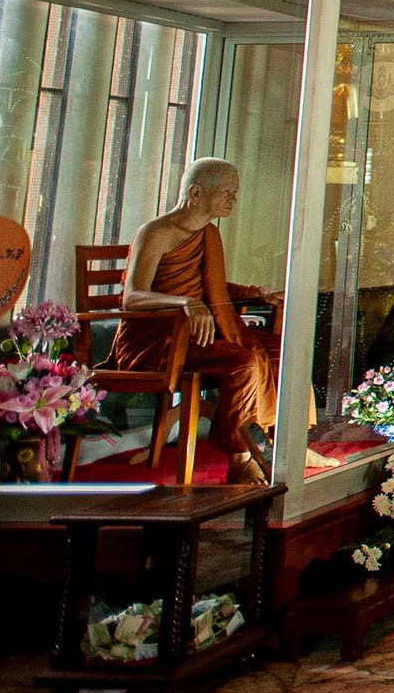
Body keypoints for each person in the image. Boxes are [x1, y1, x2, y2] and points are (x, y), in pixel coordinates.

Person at [118, 158, 304, 481]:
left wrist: (256, 292)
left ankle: (284, 441)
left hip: (199, 332)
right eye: (227, 193)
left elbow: (211, 289)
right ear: (195, 192)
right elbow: (132, 297)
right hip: (160, 339)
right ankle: (239, 457)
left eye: (234, 193)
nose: (233, 200)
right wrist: (185, 303)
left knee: (282, 351)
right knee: (244, 362)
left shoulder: (208, 234)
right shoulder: (156, 232)